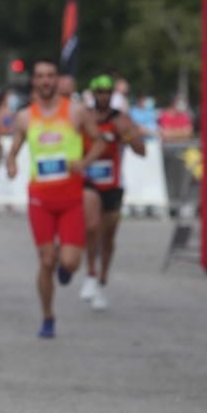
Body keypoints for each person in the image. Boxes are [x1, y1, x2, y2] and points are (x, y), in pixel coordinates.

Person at [6, 59, 106, 338]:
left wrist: (85, 162)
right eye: (40, 76)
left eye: (50, 76)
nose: (46, 81)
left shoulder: (76, 112)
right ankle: (48, 316)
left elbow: (99, 141)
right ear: (35, 82)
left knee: (70, 262)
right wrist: (11, 164)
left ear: (57, 80)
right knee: (46, 260)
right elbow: (14, 149)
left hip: (71, 198)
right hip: (40, 198)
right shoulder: (25, 116)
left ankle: (67, 266)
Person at [79, 75, 145, 310]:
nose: (103, 96)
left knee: (108, 235)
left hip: (114, 183)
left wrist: (126, 135)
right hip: (89, 181)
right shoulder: (84, 117)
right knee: (92, 227)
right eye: (99, 92)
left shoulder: (121, 119)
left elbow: (141, 150)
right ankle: (90, 272)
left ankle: (102, 278)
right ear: (93, 94)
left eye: (108, 92)